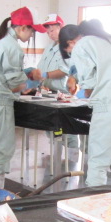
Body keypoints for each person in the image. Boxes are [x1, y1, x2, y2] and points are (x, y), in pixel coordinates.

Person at [59, 21, 111, 186]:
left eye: (69, 52)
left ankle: (94, 201)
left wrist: (82, 93)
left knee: (98, 164)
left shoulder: (83, 44)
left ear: (71, 43)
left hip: (108, 105)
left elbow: (89, 85)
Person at [0, 6, 45, 189]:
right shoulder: (13, 47)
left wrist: (24, 74)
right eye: (32, 31)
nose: (31, 36)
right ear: (23, 28)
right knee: (3, 150)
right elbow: (15, 85)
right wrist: (30, 80)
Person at [37, 13, 80, 153]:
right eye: (48, 32)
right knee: (52, 128)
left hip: (62, 94)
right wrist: (41, 82)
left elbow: (65, 70)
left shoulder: (67, 46)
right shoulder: (49, 48)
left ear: (61, 27)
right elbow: (41, 67)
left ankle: (72, 158)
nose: (50, 34)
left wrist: (45, 75)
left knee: (67, 129)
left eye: (52, 30)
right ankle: (56, 158)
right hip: (48, 93)